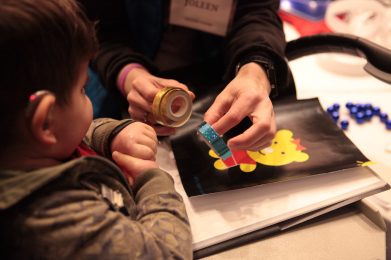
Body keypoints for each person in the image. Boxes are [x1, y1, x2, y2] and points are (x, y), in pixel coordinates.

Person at [0, 0, 192, 259]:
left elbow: (75, 134)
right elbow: (167, 253)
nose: (86, 95)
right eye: (81, 89)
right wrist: (152, 181)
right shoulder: (61, 220)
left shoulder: (23, 147)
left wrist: (110, 135)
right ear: (45, 121)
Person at [78, 0, 291, 151]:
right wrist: (130, 76)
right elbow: (100, 31)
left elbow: (257, 12)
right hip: (120, 90)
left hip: (220, 76)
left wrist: (255, 72)